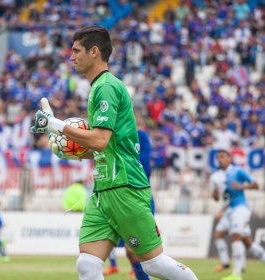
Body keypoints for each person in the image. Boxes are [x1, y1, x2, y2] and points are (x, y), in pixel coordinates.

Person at [31, 26, 198, 280]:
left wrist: (56, 124)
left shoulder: (106, 87)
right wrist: (72, 151)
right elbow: (104, 147)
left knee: (153, 265)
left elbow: (99, 140)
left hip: (124, 187)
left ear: (94, 52)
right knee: (87, 264)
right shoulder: (98, 87)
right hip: (103, 191)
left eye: (76, 51)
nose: (71, 57)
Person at [104, 127, 154, 280]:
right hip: (116, 198)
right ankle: (113, 265)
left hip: (138, 197)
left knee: (137, 251)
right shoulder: (110, 137)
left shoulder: (140, 135)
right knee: (129, 251)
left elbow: (146, 169)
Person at [210, 149, 265, 280]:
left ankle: (236, 274)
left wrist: (241, 187)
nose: (220, 159)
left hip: (241, 208)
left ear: (229, 158)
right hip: (229, 210)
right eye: (218, 157)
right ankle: (227, 264)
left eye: (223, 157)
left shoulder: (237, 171)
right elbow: (217, 198)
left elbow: (256, 185)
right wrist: (216, 193)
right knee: (248, 244)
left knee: (235, 235)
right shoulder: (215, 176)